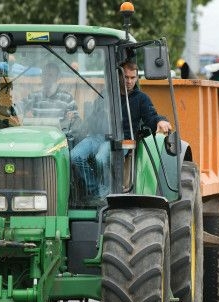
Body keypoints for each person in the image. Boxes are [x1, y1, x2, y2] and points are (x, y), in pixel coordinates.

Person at [70, 61, 172, 201]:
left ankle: (105, 196)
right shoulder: (106, 94)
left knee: (101, 158)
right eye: (126, 77)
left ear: (136, 78)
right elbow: (93, 118)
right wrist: (78, 129)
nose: (129, 81)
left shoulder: (141, 99)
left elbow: (151, 116)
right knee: (74, 156)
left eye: (132, 78)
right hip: (98, 136)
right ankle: (94, 191)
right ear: (119, 76)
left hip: (121, 139)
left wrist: (160, 120)